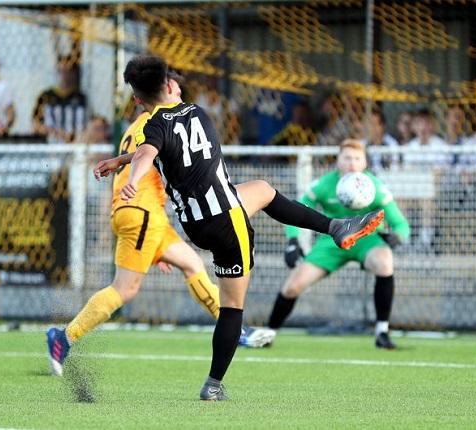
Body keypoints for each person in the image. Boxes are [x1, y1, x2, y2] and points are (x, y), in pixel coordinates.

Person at [95, 56, 384, 401]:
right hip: (226, 219)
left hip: (198, 222)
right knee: (232, 308)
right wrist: (133, 175)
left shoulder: (151, 127)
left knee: (262, 190)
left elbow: (148, 151)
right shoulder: (198, 112)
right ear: (171, 86)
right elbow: (150, 152)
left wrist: (123, 164)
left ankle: (336, 226)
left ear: (138, 100)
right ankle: (213, 385)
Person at [46, 102, 276, 376]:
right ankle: (64, 338)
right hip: (143, 212)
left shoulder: (136, 127)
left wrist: (155, 244)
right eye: (172, 89)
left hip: (143, 213)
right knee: (124, 289)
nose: (177, 96)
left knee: (192, 263)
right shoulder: (159, 123)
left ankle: (236, 330)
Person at [242, 140, 409, 350]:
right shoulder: (323, 185)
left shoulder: (375, 187)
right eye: (347, 158)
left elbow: (400, 223)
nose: (352, 163)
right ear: (338, 160)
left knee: (385, 263)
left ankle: (382, 333)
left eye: (357, 158)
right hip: (331, 241)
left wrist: (398, 237)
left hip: (367, 240)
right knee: (293, 286)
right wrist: (293, 241)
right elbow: (294, 209)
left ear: (365, 162)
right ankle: (267, 335)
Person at [32, 54, 87, 143]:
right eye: (61, 71)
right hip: (52, 142)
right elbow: (35, 124)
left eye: (68, 71)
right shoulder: (46, 96)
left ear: (74, 73)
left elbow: (87, 124)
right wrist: (53, 132)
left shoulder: (81, 97)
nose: (64, 75)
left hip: (75, 142)